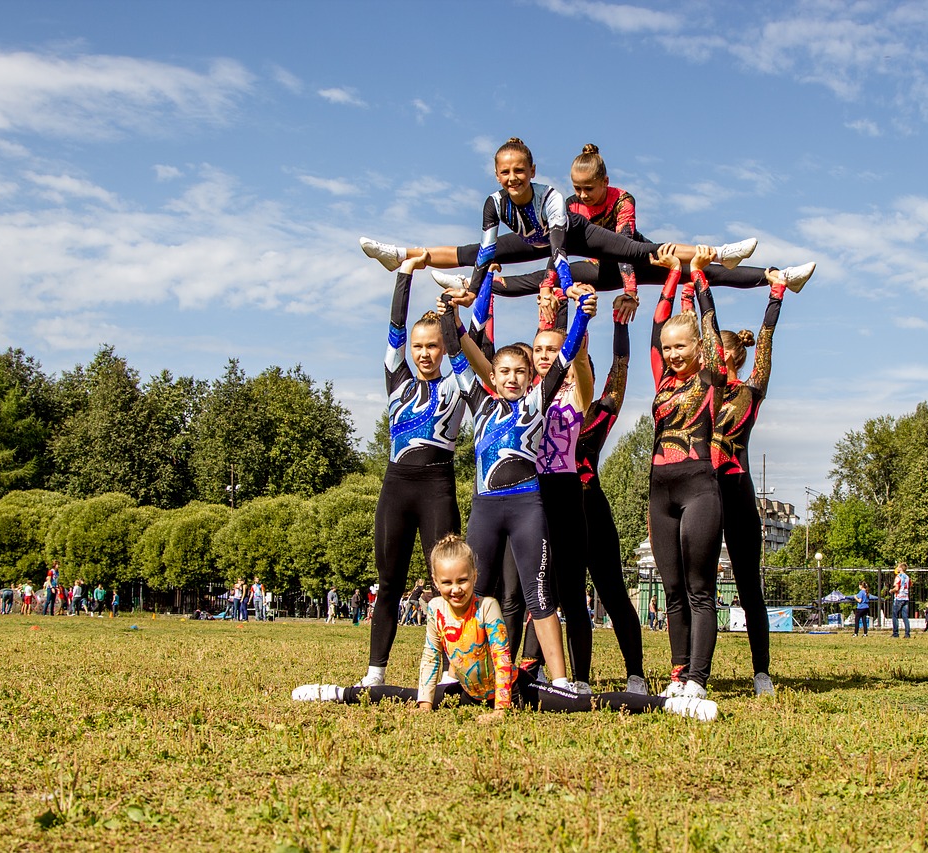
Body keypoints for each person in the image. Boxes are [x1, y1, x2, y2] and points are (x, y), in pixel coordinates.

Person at [291, 534, 717, 721]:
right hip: (469, 691)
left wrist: (500, 708)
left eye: (462, 581)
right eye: (446, 582)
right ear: (435, 581)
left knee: (582, 706)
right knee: (402, 697)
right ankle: (333, 692)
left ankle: (670, 706)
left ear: (474, 577)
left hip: (511, 688)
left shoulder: (488, 606)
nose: (455, 589)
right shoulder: (436, 610)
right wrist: (425, 701)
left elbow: (500, 657)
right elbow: (430, 656)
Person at [359, 138, 764, 321]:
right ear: (497, 174)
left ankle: (722, 252)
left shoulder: (578, 201)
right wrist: (474, 285)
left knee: (647, 251)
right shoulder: (497, 202)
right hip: (569, 252)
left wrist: (621, 291)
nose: (582, 195)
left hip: (583, 240)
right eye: (505, 172)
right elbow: (484, 250)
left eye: (520, 170)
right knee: (481, 254)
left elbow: (575, 249)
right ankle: (405, 254)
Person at [436, 268, 596, 693]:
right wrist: (448, 315)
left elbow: (566, 356)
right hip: (485, 509)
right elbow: (457, 352)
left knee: (539, 597)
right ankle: (461, 676)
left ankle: (559, 680)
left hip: (528, 508)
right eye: (502, 371)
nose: (510, 377)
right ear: (493, 376)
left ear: (530, 377)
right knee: (475, 592)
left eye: (518, 372)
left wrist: (581, 314)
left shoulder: (539, 402)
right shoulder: (479, 400)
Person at [451, 144, 817, 314]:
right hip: (599, 267)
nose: (580, 195)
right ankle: (471, 284)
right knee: (534, 275)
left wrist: (631, 293)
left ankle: (778, 276)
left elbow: (625, 245)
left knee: (702, 273)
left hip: (637, 259)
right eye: (575, 188)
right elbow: (556, 250)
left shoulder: (622, 199)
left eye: (588, 189)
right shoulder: (567, 204)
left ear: (605, 182)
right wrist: (550, 286)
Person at [688, 262, 804, 696]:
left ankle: (761, 673)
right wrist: (699, 284)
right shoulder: (708, 387)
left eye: (716, 350)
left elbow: (765, 340)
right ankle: (693, 671)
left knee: (748, 582)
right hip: (704, 488)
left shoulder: (751, 390)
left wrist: (775, 297)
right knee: (696, 583)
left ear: (727, 354)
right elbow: (708, 331)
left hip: (734, 488)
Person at [356, 253, 469, 689]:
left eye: (432, 346)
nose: (424, 352)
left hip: (437, 487)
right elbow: (395, 331)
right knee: (389, 582)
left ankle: (450, 673)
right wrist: (405, 274)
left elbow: (466, 344)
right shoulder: (397, 376)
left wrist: (452, 312)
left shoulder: (456, 385)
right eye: (419, 346)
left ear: (443, 348)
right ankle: (375, 671)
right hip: (396, 486)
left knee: (449, 587)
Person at [646, 246, 729, 699]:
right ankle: (678, 675)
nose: (673, 353)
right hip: (660, 491)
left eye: (682, 346)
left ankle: (698, 678)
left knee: (700, 589)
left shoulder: (709, 375)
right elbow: (657, 326)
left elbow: (710, 327)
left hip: (699, 487)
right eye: (668, 348)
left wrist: (698, 278)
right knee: (672, 589)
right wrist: (671, 277)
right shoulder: (663, 380)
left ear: (698, 347)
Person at [890, 563, 911, 638]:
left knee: (895, 615)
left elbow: (896, 588)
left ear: (901, 568)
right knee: (905, 616)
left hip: (899, 598)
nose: (897, 568)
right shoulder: (907, 577)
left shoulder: (898, 577)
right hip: (906, 598)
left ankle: (895, 633)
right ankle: (907, 633)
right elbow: (909, 585)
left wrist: (891, 591)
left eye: (898, 567)